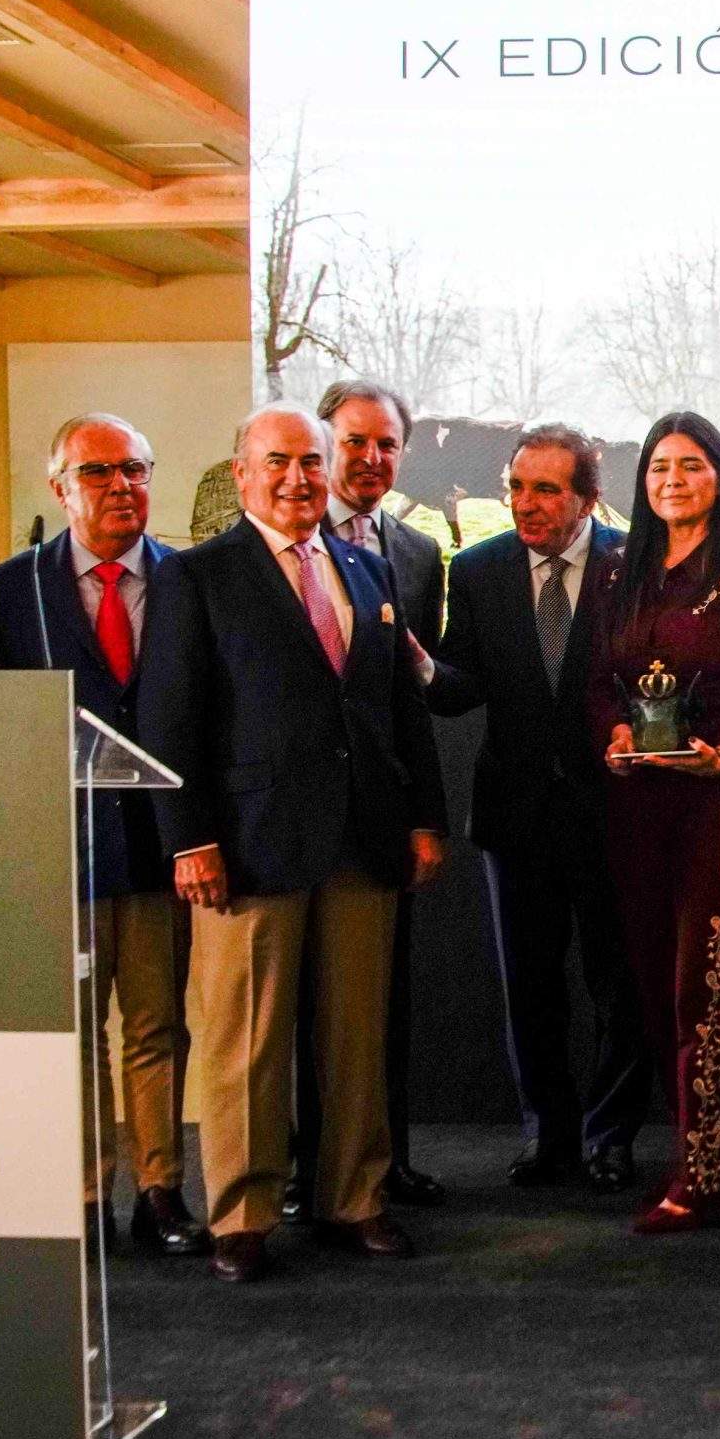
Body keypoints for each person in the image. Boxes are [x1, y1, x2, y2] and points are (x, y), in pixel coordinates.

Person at [137, 403, 447, 1282]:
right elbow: (169, 716)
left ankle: (356, 1197)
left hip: (362, 840)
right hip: (249, 844)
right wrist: (189, 839)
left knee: (356, 1038)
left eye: (311, 461)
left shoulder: (368, 567)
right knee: (246, 1039)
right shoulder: (196, 575)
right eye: (277, 461)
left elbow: (398, 708)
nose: (297, 478)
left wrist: (424, 818)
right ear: (241, 473)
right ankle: (242, 1214)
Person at [0, 413, 206, 1258]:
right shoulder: (11, 588)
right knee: (72, 1034)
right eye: (98, 472)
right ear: (59, 486)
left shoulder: (188, 579)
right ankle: (80, 1196)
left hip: (158, 846)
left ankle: (160, 1190)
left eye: (135, 469)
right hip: (57, 850)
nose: (121, 486)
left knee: (156, 1026)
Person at [588, 411, 720, 1233]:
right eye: (659, 467)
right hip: (636, 807)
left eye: (691, 465)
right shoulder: (617, 572)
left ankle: (706, 1175)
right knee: (651, 991)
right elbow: (597, 683)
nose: (673, 480)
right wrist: (611, 733)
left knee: (708, 993)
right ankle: (708, 1155)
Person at [426, 423, 646, 1191]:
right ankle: (546, 1135)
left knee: (620, 986)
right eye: (516, 487)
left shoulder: (633, 563)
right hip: (515, 817)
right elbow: (461, 686)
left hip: (614, 811)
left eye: (547, 489)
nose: (526, 503)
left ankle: (609, 1138)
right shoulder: (477, 568)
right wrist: (422, 669)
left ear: (588, 497)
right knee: (530, 989)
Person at [295, 378, 449, 1213]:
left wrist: (424, 815)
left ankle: (381, 1163)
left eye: (387, 443)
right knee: (296, 1007)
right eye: (354, 440)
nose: (371, 457)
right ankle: (303, 1169)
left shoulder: (416, 553)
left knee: (379, 1003)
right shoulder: (282, 537)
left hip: (381, 815)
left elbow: (413, 697)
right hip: (292, 815)